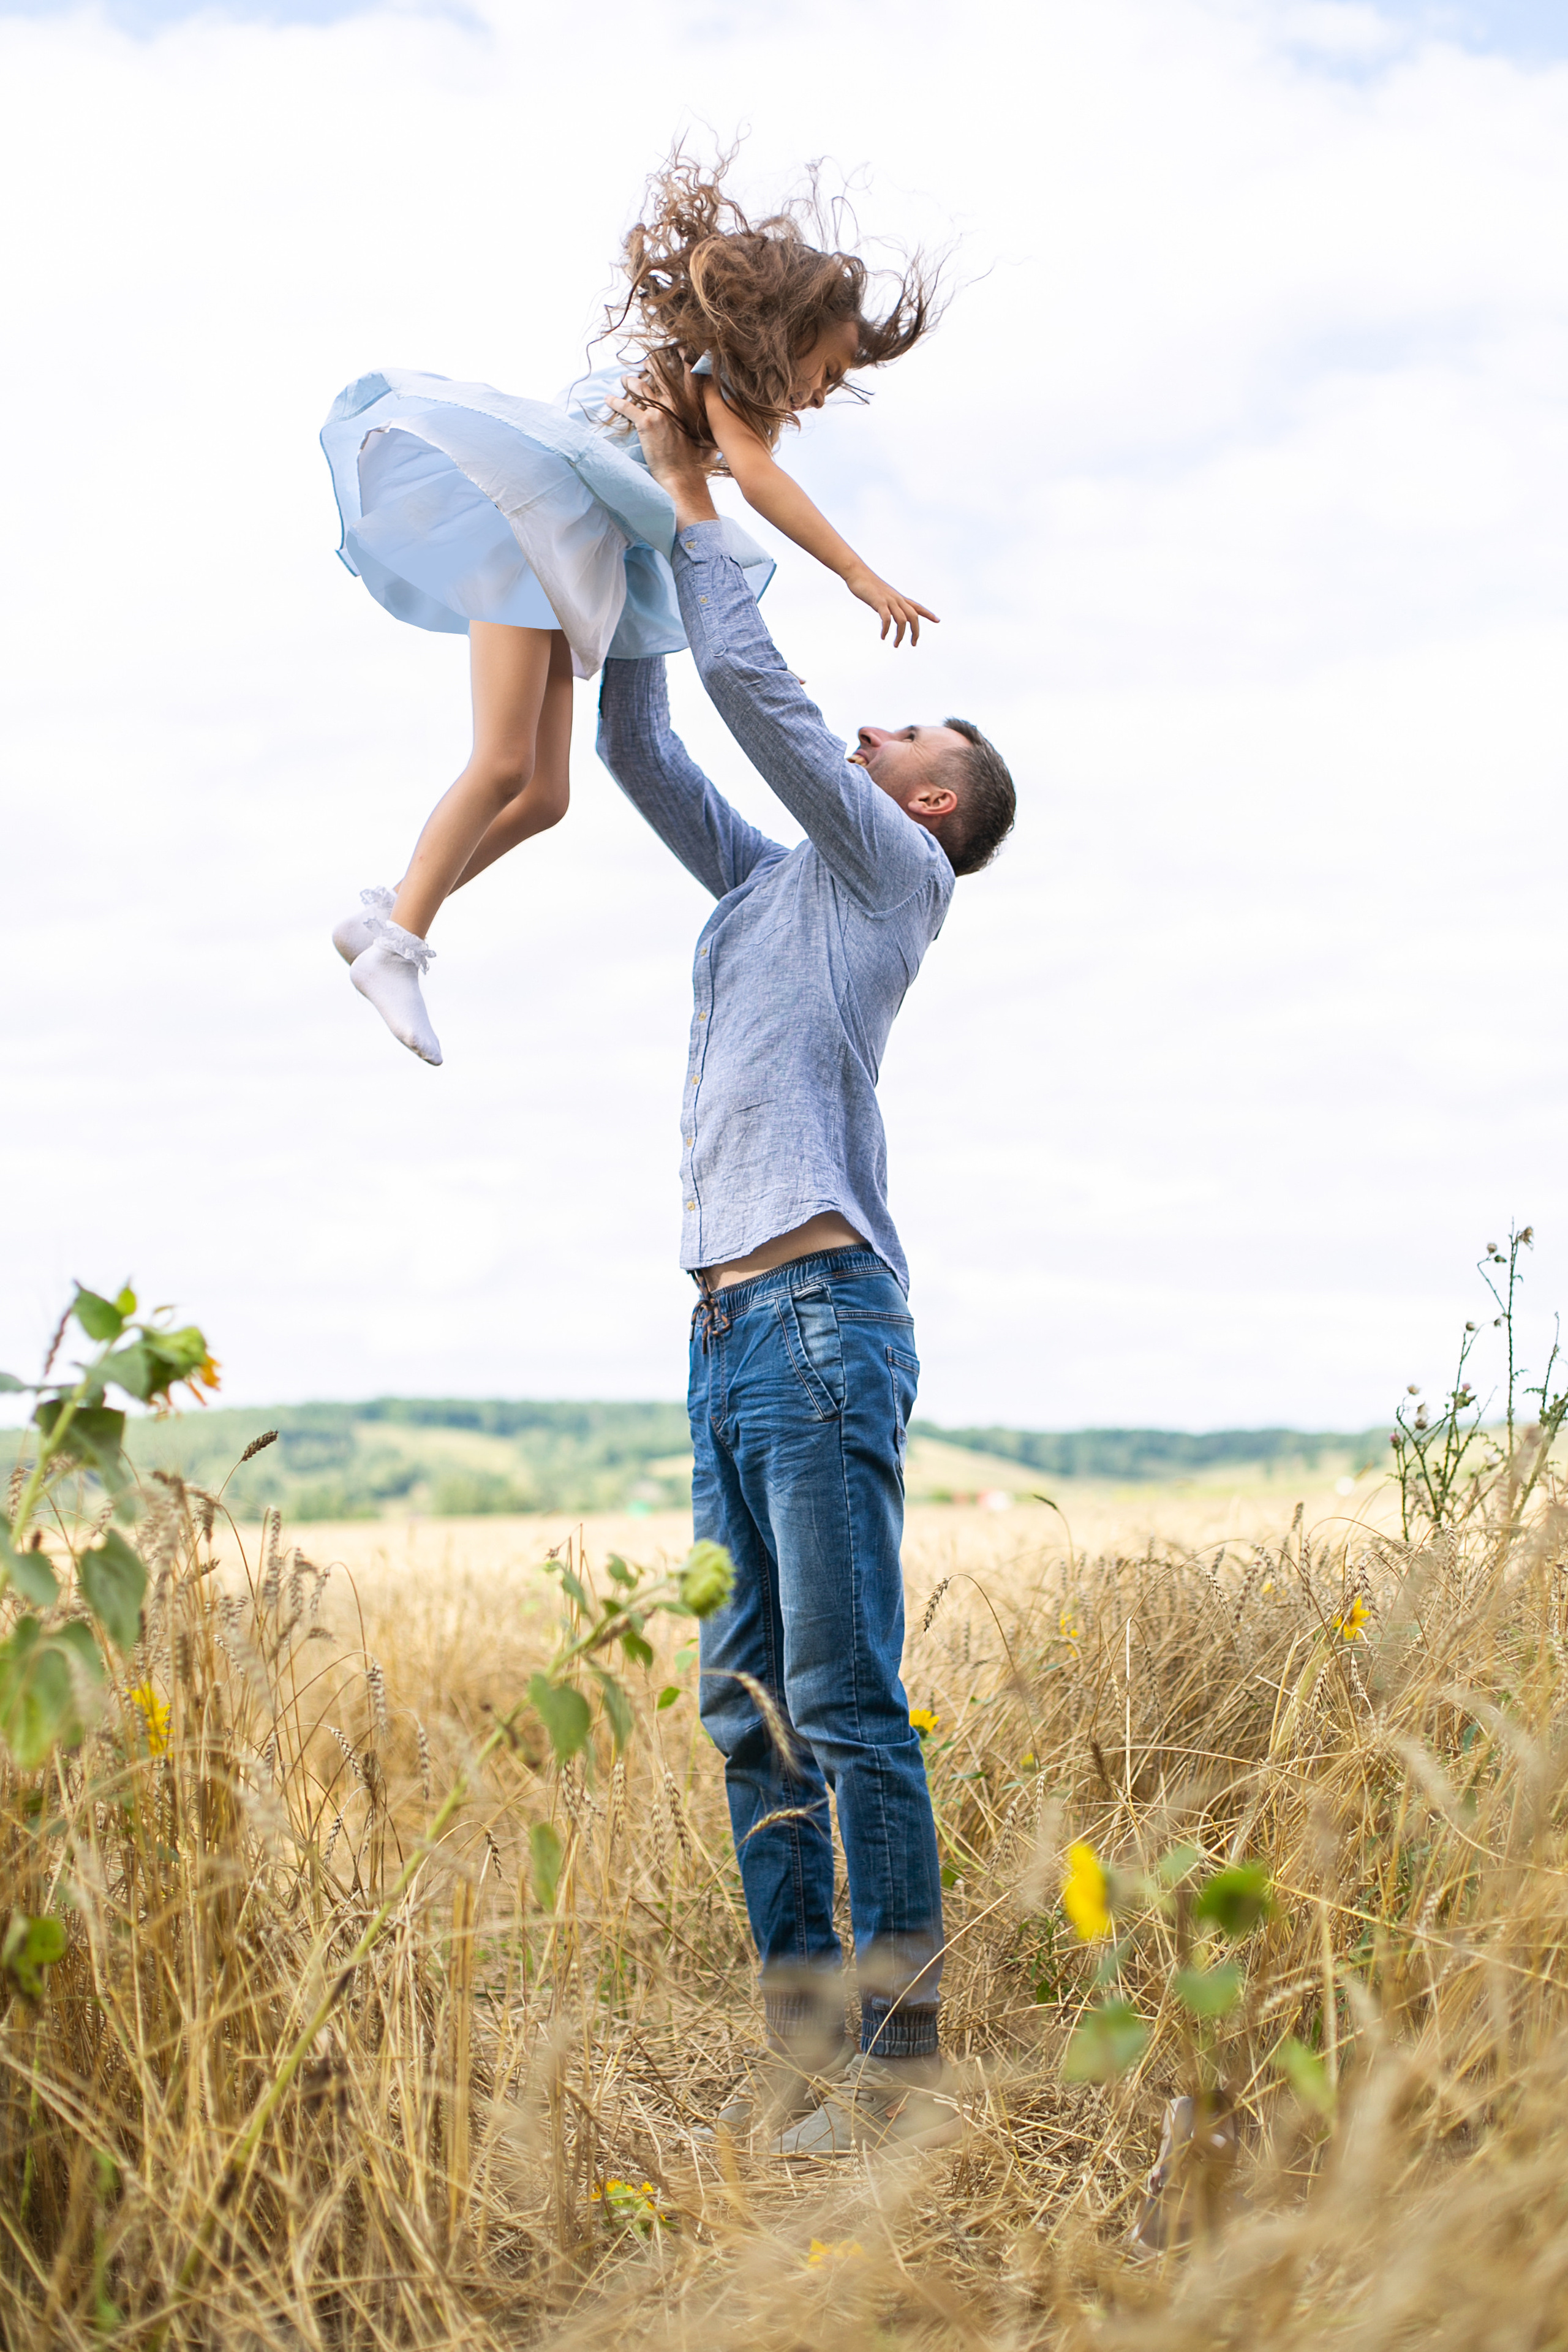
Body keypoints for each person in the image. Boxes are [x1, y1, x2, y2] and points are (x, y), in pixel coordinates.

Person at [596, 377, 1016, 2158]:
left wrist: (700, 509)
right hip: (723, 1335)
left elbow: (757, 695)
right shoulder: (773, 886)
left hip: (826, 1323)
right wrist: (614, 560)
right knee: (746, 1704)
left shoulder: (885, 878)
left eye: (911, 734)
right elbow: (645, 749)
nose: (880, 730)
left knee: (843, 1701)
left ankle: (897, 2074)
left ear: (931, 807)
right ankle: (806, 2049)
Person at [318, 152, 940, 1067]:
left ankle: (389, 909)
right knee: (499, 763)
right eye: (830, 367)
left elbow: (675, 523)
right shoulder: (716, 378)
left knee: (545, 795)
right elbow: (756, 485)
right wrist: (855, 571)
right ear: (791, 327)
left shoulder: (713, 404)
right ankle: (396, 943)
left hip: (565, 547)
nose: (823, 392)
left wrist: (754, 646)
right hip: (529, 526)